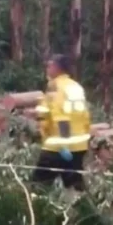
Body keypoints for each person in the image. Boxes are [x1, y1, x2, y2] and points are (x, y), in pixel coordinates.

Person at [31, 54, 91, 191]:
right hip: (78, 146)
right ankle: (86, 211)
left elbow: (61, 116)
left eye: (49, 65)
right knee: (75, 186)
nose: (47, 69)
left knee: (38, 186)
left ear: (57, 68)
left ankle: (35, 211)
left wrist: (64, 144)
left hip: (58, 147)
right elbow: (85, 116)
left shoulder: (55, 87)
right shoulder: (76, 87)